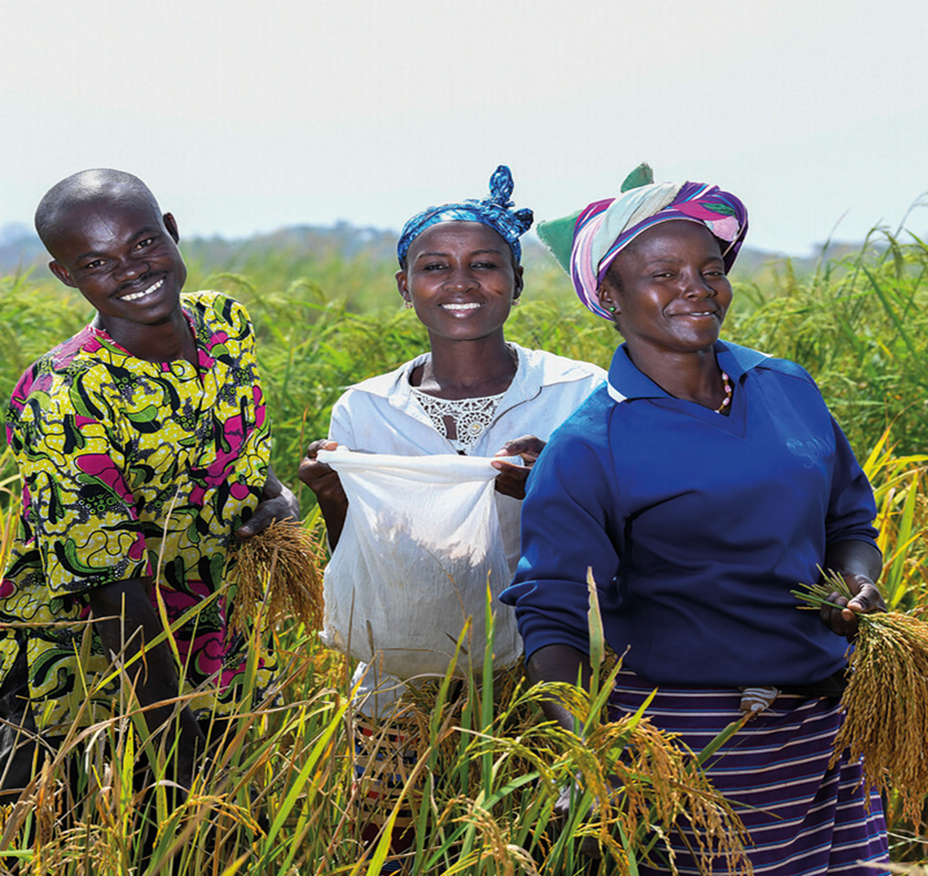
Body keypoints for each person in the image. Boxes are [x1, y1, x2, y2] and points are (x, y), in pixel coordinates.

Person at [500, 167, 890, 874]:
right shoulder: (591, 446)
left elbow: (848, 520)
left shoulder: (784, 387)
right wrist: (600, 753)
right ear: (609, 298)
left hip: (829, 730)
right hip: (696, 748)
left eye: (710, 268)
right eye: (663, 273)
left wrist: (856, 584)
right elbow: (552, 620)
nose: (696, 287)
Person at [298, 165, 606, 861]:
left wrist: (553, 486)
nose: (460, 283)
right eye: (434, 267)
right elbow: (364, 563)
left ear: (516, 282)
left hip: (547, 680)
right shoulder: (367, 408)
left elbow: (625, 533)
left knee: (545, 851)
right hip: (403, 688)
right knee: (398, 850)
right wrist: (333, 496)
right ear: (405, 286)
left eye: (485, 266)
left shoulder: (576, 392)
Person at [0, 169, 298, 802]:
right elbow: (113, 588)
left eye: (142, 243)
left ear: (171, 231)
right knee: (116, 828)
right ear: (66, 276)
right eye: (96, 261)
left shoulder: (224, 325)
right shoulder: (65, 394)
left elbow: (233, 448)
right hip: (101, 672)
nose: (132, 270)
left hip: (221, 638)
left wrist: (275, 500)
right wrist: (175, 742)